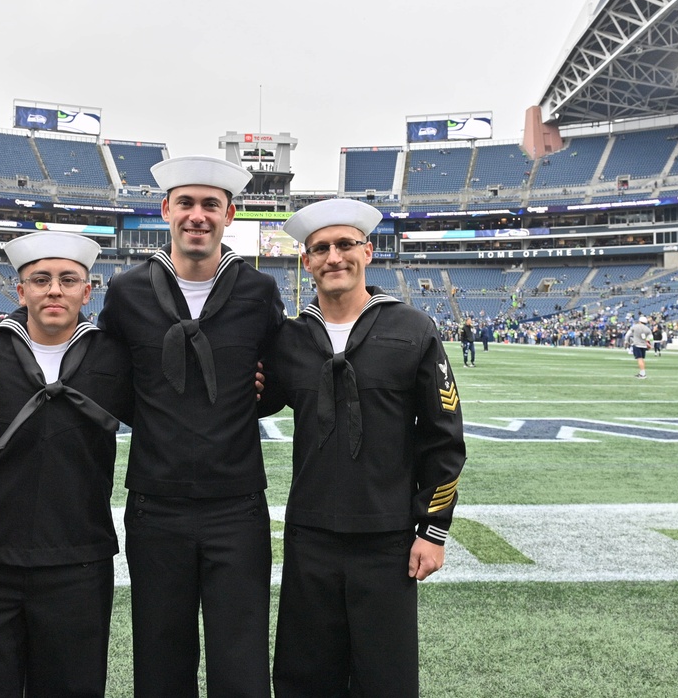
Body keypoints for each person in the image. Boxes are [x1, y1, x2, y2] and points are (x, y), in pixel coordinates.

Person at [259, 198, 467, 698]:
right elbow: (257, 400)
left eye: (346, 245)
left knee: (385, 681)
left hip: (388, 539)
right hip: (310, 535)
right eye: (321, 249)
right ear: (306, 262)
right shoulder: (288, 338)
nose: (335, 257)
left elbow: (445, 437)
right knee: (304, 677)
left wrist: (433, 531)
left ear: (368, 252)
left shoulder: (412, 328)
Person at [98, 155, 285, 697]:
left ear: (229, 214)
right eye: (186, 203)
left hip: (237, 504)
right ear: (166, 210)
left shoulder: (259, 291)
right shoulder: (129, 291)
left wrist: (258, 394)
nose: (197, 216)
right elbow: (109, 378)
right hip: (156, 505)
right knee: (160, 660)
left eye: (210, 205)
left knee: (242, 661)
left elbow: (285, 374)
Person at [0, 231, 133, 697]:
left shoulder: (117, 360)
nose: (54, 290)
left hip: (78, 559)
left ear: (88, 291)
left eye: (68, 280)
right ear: (20, 290)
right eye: (40, 279)